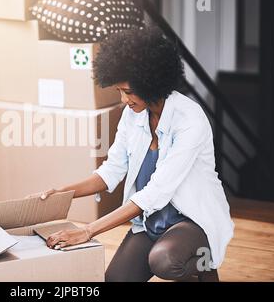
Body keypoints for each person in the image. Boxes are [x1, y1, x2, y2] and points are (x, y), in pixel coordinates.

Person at [29, 26, 234, 282]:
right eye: (119, 91)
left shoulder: (190, 119)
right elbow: (111, 170)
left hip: (191, 220)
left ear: (151, 82)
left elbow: (157, 191)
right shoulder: (133, 115)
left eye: (128, 91)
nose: (124, 100)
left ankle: (204, 268)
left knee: (164, 261)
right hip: (152, 222)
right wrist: (63, 192)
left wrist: (89, 230)